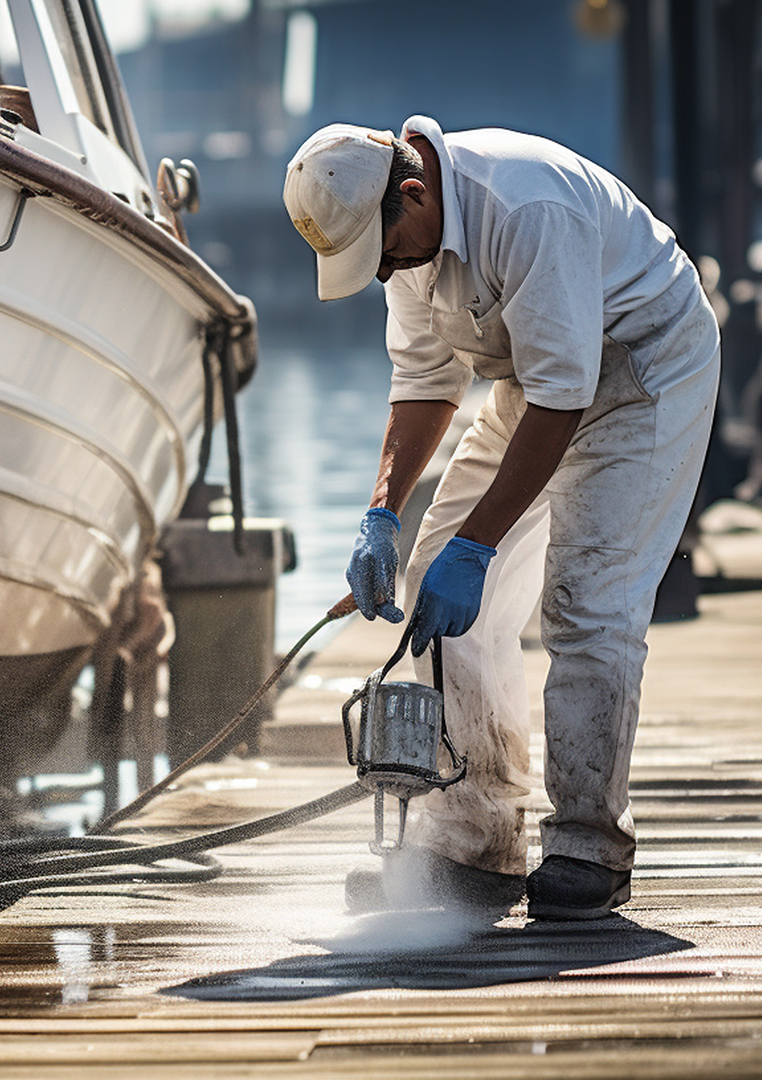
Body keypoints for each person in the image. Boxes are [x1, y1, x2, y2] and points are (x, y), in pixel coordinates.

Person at [283, 117, 719, 919]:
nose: (383, 273)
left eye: (382, 255)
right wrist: (380, 516)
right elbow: (424, 384)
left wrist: (479, 545)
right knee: (433, 586)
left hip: (644, 367)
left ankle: (591, 846)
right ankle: (476, 840)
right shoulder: (406, 246)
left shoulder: (525, 210)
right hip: (540, 376)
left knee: (587, 602)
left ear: (411, 195)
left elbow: (566, 399)